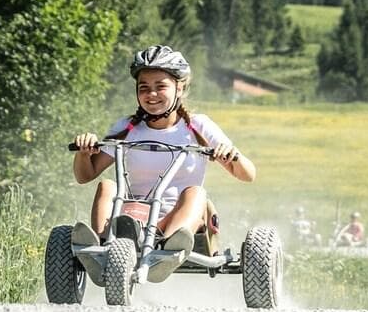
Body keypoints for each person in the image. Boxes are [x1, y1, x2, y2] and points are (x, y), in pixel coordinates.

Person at [71, 45, 256, 277]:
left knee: (196, 193)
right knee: (107, 185)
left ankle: (169, 249)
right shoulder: (127, 128)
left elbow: (248, 174)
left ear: (179, 88)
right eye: (144, 88)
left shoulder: (198, 126)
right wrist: (83, 152)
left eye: (161, 86)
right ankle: (100, 248)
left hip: (177, 222)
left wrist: (232, 155)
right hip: (131, 219)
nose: (152, 94)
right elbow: (84, 175)